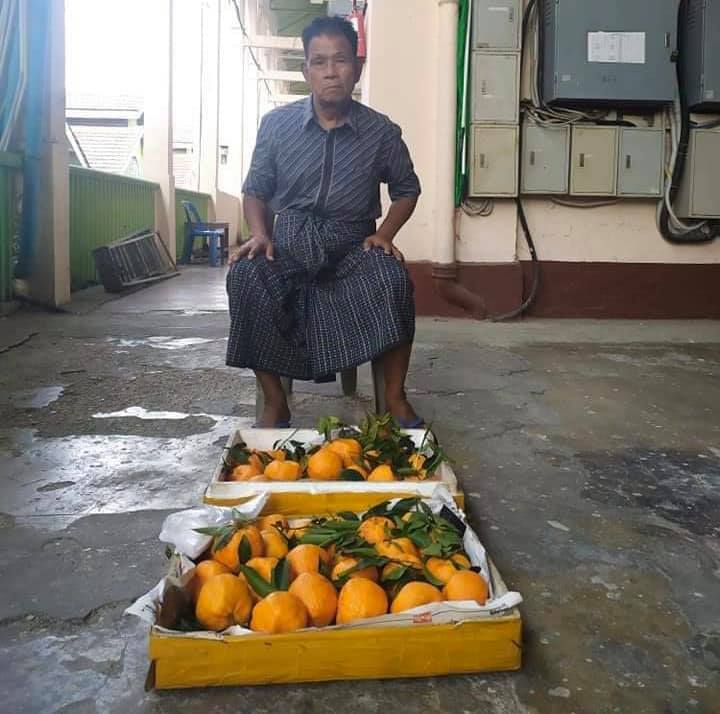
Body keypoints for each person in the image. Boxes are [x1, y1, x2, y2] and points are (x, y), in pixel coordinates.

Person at [227, 15, 422, 428]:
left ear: (357, 68)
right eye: (319, 62)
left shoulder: (381, 132)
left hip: (352, 247)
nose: (330, 71)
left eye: (340, 60)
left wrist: (384, 235)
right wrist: (261, 234)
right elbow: (256, 190)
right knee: (246, 275)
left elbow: (407, 189)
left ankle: (395, 397)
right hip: (288, 245)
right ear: (306, 71)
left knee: (393, 279)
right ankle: (275, 403)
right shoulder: (276, 126)